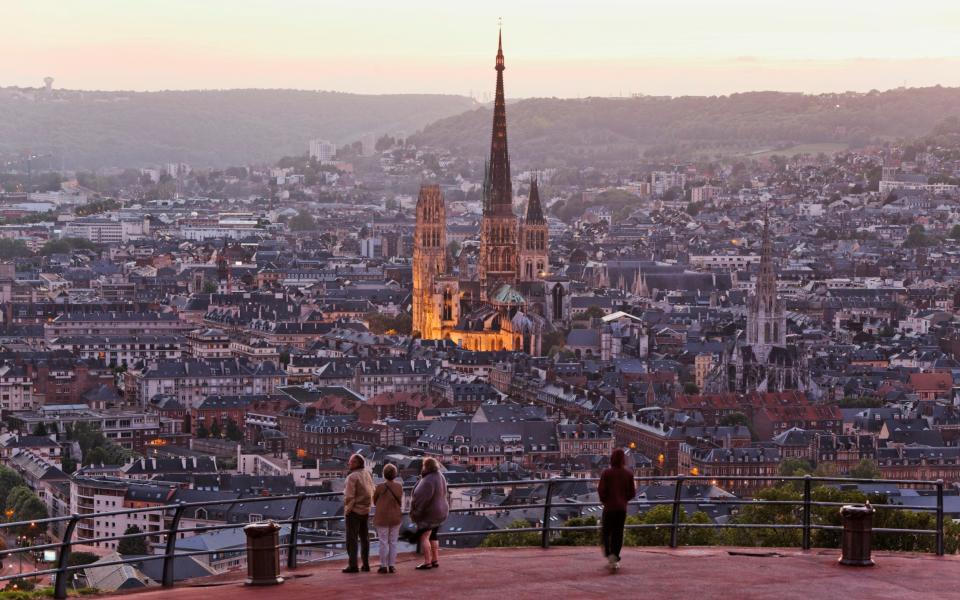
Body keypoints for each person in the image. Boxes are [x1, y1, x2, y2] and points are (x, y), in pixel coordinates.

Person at [597, 447, 636, 573]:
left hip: (609, 507)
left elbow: (601, 490)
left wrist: (605, 501)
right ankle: (615, 556)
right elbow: (632, 493)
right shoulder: (629, 474)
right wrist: (624, 500)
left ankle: (609, 554)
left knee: (606, 532)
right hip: (621, 508)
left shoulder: (606, 473)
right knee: (618, 533)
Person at [409, 457, 448, 570]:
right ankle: (435, 559)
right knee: (434, 535)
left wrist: (416, 512)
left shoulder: (427, 480)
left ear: (426, 466)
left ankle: (427, 562)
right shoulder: (440, 476)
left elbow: (421, 498)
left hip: (429, 513)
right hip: (440, 511)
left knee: (424, 536)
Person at [343, 453, 375, 573]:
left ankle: (353, 565)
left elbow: (349, 497)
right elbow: (372, 490)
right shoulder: (367, 474)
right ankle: (366, 564)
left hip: (354, 511)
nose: (349, 463)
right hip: (365, 510)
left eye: (351, 462)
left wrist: (347, 510)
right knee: (364, 538)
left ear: (356, 463)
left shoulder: (352, 477)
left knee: (352, 539)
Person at [373, 463, 404, 574]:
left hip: (382, 517)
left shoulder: (380, 487)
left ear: (384, 474)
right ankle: (392, 565)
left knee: (383, 542)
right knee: (393, 542)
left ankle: (383, 566)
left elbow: (374, 501)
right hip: (395, 516)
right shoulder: (399, 486)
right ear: (395, 474)